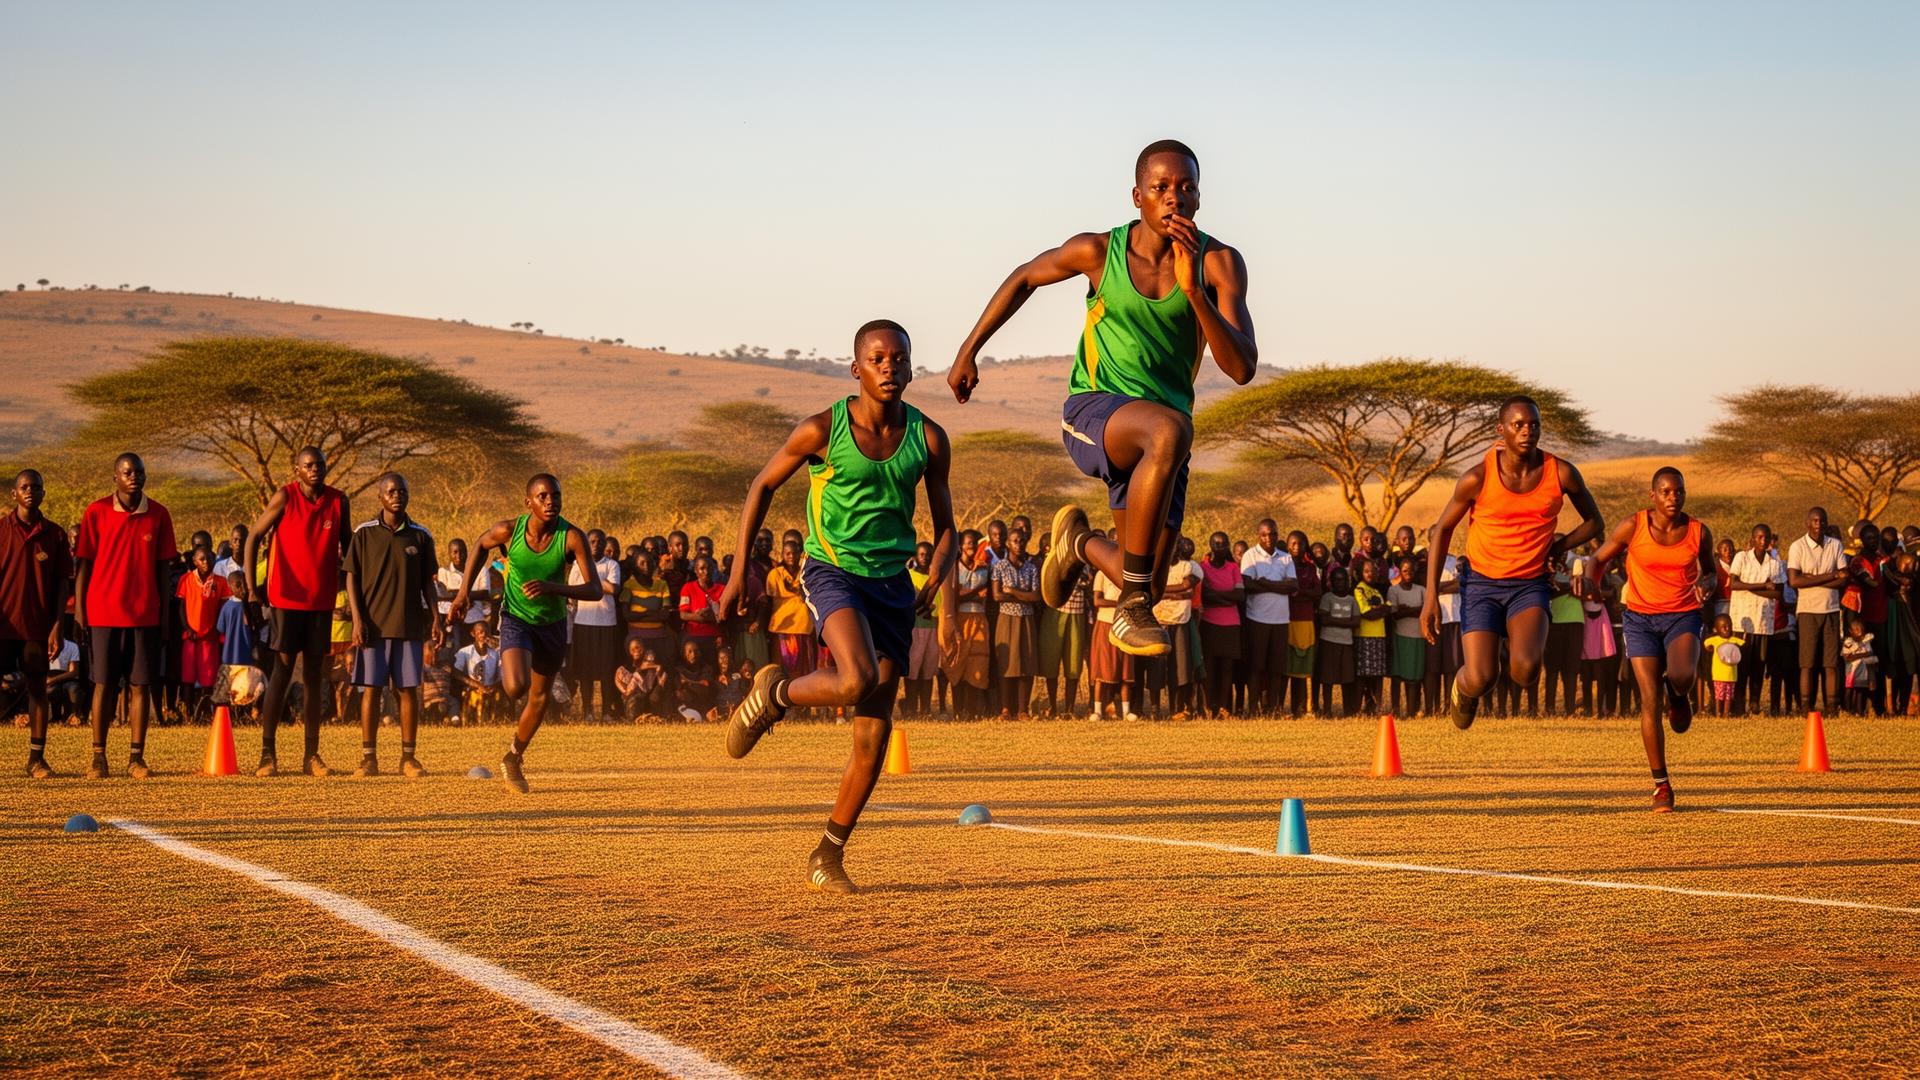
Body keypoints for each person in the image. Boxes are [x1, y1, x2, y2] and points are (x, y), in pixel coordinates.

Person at [953, 139, 1258, 661]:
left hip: (1162, 450)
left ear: (1200, 198)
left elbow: (1242, 368)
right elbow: (1026, 275)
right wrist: (969, 348)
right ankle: (1130, 602)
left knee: (1149, 582)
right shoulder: (1100, 251)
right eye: (1161, 188)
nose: (1174, 198)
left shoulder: (1219, 263)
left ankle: (1078, 544)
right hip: (1096, 413)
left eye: (1186, 188)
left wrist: (1194, 293)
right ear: (1137, 196)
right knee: (1167, 433)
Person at [719, 319, 956, 895]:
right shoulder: (822, 430)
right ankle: (775, 693)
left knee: (873, 738)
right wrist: (735, 575)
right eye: (877, 359)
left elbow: (948, 526)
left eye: (899, 358)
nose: (889, 368)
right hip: (833, 571)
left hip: (894, 588)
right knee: (855, 677)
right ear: (856, 368)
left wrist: (940, 576)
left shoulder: (928, 439)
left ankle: (828, 853)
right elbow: (761, 487)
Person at [1421, 397, 1604, 729]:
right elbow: (1442, 530)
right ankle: (1463, 687)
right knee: (1482, 678)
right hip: (1481, 583)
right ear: (1500, 430)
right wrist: (1430, 597)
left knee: (1526, 671)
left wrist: (1558, 546)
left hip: (1529, 584)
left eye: (1533, 424)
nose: (1527, 431)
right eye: (1518, 425)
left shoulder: (1560, 472)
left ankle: (1510, 645)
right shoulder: (1477, 477)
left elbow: (1594, 522)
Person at [450, 474, 603, 792]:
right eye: (543, 496)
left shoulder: (571, 537)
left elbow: (595, 589)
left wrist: (553, 588)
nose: (551, 502)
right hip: (516, 618)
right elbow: (480, 544)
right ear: (528, 502)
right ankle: (514, 665)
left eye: (556, 496)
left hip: (553, 624)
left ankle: (514, 757)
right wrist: (464, 592)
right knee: (516, 687)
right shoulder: (510, 530)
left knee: (540, 697)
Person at [1585, 466, 1715, 813]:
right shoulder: (1634, 525)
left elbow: (1711, 571)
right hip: (1640, 618)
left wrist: (1707, 583)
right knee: (1648, 699)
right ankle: (1661, 786)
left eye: (1679, 492)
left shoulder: (1699, 532)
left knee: (1683, 675)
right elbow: (1597, 559)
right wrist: (1590, 581)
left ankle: (1678, 695)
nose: (1674, 498)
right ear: (1653, 495)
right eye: (1667, 492)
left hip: (1682, 615)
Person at [243, 446, 351, 777]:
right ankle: (267, 754)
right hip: (286, 599)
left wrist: (347, 594)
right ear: (297, 470)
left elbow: (347, 549)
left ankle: (312, 755)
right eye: (308, 465)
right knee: (283, 669)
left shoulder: (337, 500)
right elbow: (252, 538)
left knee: (315, 675)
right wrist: (251, 590)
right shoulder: (285, 497)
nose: (315, 469)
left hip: (321, 602)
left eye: (320, 464)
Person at [74, 453, 175, 779]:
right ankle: (98, 757)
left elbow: (163, 571)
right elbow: (84, 564)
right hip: (103, 612)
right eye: (128, 472)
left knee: (140, 685)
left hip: (144, 614)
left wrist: (164, 617)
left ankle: (136, 758)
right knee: (102, 684)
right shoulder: (97, 511)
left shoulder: (159, 514)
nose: (135, 477)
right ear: (115, 477)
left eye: (140, 472)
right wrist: (79, 609)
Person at [343, 472, 442, 777]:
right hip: (372, 627)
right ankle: (369, 758)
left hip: (408, 625)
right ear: (380, 497)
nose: (397, 495)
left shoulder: (421, 536)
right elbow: (351, 579)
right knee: (371, 690)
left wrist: (436, 618)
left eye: (402, 490)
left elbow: (428, 583)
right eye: (391, 491)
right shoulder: (364, 533)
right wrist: (357, 621)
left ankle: (408, 758)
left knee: (407, 689)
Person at [2, 469, 73, 777]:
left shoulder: (55, 535)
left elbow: (62, 586)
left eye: (36, 487)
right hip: (3, 627)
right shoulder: (1, 531)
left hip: (36, 628)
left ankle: (36, 759)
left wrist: (57, 625)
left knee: (37, 690)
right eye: (24, 487)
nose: (30, 491)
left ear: (44, 493)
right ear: (13, 494)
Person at [1786, 507, 1848, 715]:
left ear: (1826, 523)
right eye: (1814, 521)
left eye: (1822, 521)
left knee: (1830, 663)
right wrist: (1831, 575)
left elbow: (1844, 579)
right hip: (1807, 611)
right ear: (1807, 523)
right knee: (1807, 663)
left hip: (1831, 609)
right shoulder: (1797, 547)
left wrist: (1811, 579)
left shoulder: (1836, 545)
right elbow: (1794, 581)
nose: (1818, 525)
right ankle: (1805, 708)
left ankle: (1832, 708)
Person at [1239, 520, 1298, 715]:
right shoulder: (1250, 556)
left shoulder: (1286, 558)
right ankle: (1253, 708)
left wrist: (1265, 583)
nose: (1269, 538)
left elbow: (1293, 587)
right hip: (1257, 618)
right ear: (1259, 535)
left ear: (1277, 534)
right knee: (1256, 666)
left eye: (1272, 534)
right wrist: (1279, 585)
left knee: (1277, 668)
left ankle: (1273, 708)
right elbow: (1248, 585)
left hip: (1281, 620)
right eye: (1264, 534)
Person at [1727, 525, 1785, 715]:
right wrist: (1763, 585)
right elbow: (1734, 584)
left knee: (1758, 665)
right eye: (1759, 537)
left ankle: (1754, 703)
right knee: (1741, 664)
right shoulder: (1741, 558)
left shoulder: (1774, 563)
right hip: (1742, 620)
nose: (1762, 541)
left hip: (1763, 622)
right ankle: (1738, 705)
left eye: (1766, 538)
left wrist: (1750, 587)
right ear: (1752, 539)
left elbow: (1777, 593)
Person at [568, 527, 622, 722]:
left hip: (606, 623)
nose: (596, 545)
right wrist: (599, 584)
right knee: (585, 672)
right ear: (585, 543)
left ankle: (606, 712)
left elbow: (613, 588)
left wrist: (591, 582)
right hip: (583, 622)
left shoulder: (612, 565)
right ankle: (587, 711)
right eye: (592, 541)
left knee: (606, 670)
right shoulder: (577, 564)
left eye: (600, 541)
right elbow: (573, 591)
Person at [1147, 536, 1202, 718]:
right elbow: (1151, 589)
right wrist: (1175, 592)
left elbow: (1189, 588)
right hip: (1158, 621)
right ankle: (1155, 708)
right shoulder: (1154, 567)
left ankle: (1176, 708)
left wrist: (1161, 591)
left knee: (1180, 667)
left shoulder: (1188, 567)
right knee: (1156, 667)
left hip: (1180, 621)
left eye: (1174, 546)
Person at [990, 528, 1041, 719]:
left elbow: (1036, 596)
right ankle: (1005, 709)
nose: (1019, 544)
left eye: (1022, 541)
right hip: (1006, 618)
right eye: (1015, 541)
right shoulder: (1000, 567)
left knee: (1026, 663)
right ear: (1008, 544)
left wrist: (1012, 591)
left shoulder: (1031, 568)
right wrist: (1023, 596)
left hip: (1026, 619)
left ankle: (1022, 710)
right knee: (1006, 662)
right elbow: (997, 596)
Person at [175, 545, 228, 721]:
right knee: (188, 678)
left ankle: (206, 712)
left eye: (210, 558)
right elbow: (181, 607)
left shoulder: (220, 582)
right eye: (202, 559)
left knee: (209, 678)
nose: (207, 562)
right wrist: (187, 628)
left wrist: (215, 628)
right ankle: (189, 713)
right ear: (195, 561)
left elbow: (222, 607)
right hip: (191, 637)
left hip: (210, 637)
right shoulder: (186, 580)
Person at [946, 531, 993, 717]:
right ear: (960, 546)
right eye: (968, 543)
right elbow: (954, 595)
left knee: (978, 664)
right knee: (959, 664)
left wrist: (972, 592)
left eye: (974, 543)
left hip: (980, 618)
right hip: (960, 619)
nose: (971, 546)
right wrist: (977, 591)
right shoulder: (955, 568)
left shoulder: (984, 568)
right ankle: (958, 710)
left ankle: (971, 711)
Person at [1196, 532, 1243, 717]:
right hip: (1209, 623)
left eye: (1224, 544)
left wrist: (1216, 596)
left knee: (1227, 667)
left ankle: (1224, 707)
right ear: (1210, 546)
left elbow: (1239, 596)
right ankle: (1210, 706)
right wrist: (1226, 597)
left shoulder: (1233, 568)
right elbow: (1203, 596)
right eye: (1216, 544)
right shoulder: (1203, 568)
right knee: (1209, 667)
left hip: (1231, 624)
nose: (1220, 547)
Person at [1283, 530, 1322, 717]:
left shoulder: (1310, 568)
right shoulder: (1282, 565)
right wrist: (1302, 593)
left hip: (1306, 619)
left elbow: (1317, 593)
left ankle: (1306, 707)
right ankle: (1288, 708)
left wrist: (1299, 594)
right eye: (1293, 544)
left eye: (1301, 544)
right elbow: (1287, 592)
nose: (1297, 547)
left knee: (1305, 664)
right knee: (1289, 663)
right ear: (1288, 546)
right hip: (1287, 618)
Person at [1544, 550, 1584, 715]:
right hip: (1554, 621)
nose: (1562, 554)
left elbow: (1583, 589)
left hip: (1575, 620)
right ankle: (1549, 709)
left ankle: (1570, 710)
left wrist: (1568, 586)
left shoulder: (1576, 566)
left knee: (1571, 669)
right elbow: (1550, 590)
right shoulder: (1546, 570)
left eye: (1565, 552)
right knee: (1552, 669)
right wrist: (1570, 587)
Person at [1314, 566, 1359, 716]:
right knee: (1327, 678)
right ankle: (1327, 710)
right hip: (1328, 640)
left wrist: (1334, 620)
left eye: (1343, 579)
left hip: (1346, 642)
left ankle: (1348, 711)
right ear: (1331, 582)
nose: (1340, 583)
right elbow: (1324, 620)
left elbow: (1356, 622)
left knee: (1347, 678)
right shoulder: (1327, 598)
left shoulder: (1352, 600)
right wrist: (1346, 621)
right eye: (1337, 580)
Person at [904, 541, 942, 715]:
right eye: (921, 554)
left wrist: (932, 609)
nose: (925, 558)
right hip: (914, 628)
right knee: (912, 669)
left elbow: (939, 602)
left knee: (928, 669)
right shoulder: (909, 576)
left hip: (932, 628)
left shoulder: (935, 577)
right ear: (914, 556)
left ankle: (925, 708)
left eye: (928, 555)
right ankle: (911, 707)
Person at [1387, 556, 1427, 716]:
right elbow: (1394, 614)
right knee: (1397, 677)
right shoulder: (1393, 590)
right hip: (1400, 636)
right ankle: (1395, 710)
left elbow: (1424, 612)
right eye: (1405, 571)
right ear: (1400, 572)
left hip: (1417, 637)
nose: (1408, 573)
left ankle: (1411, 711)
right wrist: (1414, 610)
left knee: (1414, 678)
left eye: (1411, 570)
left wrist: (1406, 610)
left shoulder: (1421, 590)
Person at [678, 556, 725, 666]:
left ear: (714, 569)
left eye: (709, 568)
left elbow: (725, 616)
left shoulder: (722, 589)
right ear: (695, 570)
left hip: (714, 638)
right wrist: (707, 617)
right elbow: (683, 615)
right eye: (702, 568)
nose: (706, 572)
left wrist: (704, 616)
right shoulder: (688, 588)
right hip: (693, 637)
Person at [1702, 613, 1743, 719]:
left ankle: (1726, 713)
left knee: (1729, 696)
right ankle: (1718, 713)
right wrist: (1710, 649)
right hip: (1718, 675)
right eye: (1724, 627)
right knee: (1719, 696)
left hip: (1731, 676)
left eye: (1729, 626)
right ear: (1716, 630)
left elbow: (1742, 643)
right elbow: (1706, 643)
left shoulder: (1733, 640)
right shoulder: (1715, 640)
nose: (1727, 629)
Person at [617, 639, 670, 720]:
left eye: (639, 648)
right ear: (629, 652)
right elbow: (627, 692)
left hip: (649, 698)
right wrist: (640, 669)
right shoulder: (623, 669)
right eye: (633, 649)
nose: (636, 651)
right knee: (634, 703)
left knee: (655, 697)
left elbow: (662, 678)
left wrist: (658, 682)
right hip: (636, 698)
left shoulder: (652, 661)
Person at [1842, 616, 1876, 716]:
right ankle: (1848, 710)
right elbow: (1847, 657)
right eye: (1856, 629)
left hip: (1862, 672)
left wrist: (1856, 654)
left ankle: (1859, 711)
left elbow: (1870, 653)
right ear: (1850, 631)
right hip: (1851, 672)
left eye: (1861, 629)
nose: (1859, 631)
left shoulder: (1866, 641)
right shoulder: (1848, 642)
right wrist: (1862, 654)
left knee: (1860, 691)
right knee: (1849, 691)